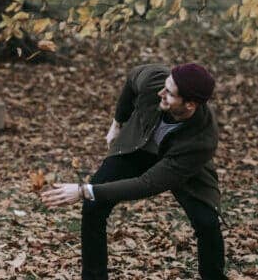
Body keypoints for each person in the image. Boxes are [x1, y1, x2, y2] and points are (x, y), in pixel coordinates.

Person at [41, 63, 227, 280]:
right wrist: (117, 122)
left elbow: (147, 183)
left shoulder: (201, 141)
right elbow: (132, 79)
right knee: (94, 206)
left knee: (207, 222)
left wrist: (83, 190)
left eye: (169, 94)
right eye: (165, 87)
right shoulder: (155, 79)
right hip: (140, 144)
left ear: (190, 105)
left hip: (179, 159)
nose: (161, 93)